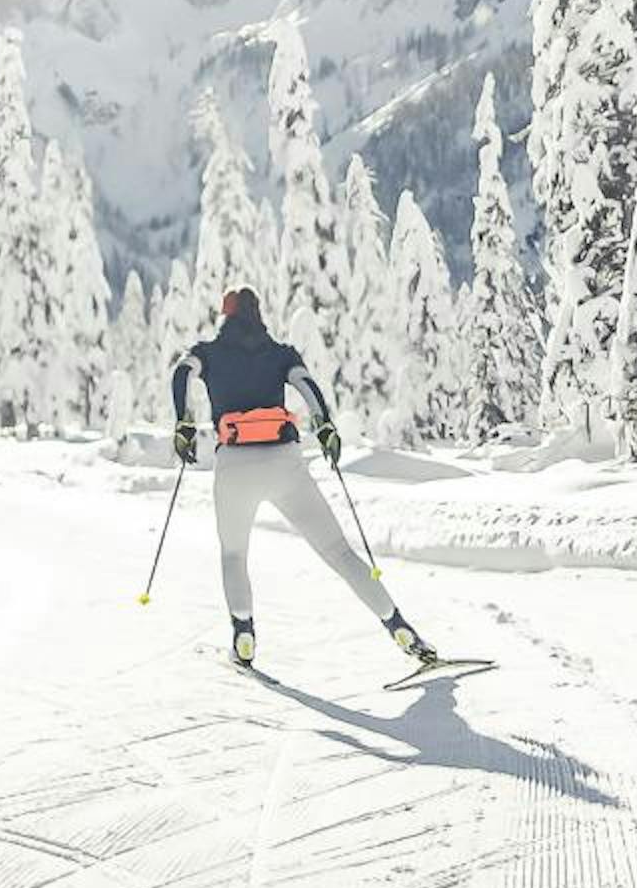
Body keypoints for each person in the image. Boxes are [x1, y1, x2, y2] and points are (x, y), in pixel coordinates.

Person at [169, 285, 441, 677]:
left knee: (233, 555)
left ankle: (243, 635)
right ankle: (398, 626)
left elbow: (181, 374)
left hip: (234, 466)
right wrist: (326, 427)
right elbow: (307, 387)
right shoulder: (281, 354)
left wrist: (183, 423)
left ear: (224, 316)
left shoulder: (206, 352)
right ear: (259, 315)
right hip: (285, 464)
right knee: (340, 553)